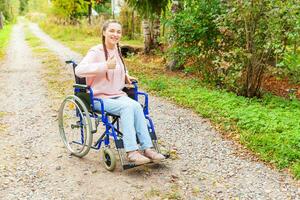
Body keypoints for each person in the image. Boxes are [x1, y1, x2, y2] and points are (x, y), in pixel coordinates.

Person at [75, 20, 165, 165]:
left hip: (117, 95)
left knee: (135, 106)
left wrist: (125, 75)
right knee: (127, 107)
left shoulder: (117, 50)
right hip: (98, 98)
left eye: (118, 32)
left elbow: (119, 67)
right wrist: (104, 66)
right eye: (111, 31)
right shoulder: (96, 51)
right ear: (104, 32)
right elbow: (79, 70)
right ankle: (131, 152)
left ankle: (147, 148)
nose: (115, 34)